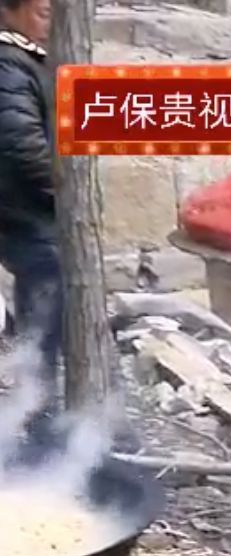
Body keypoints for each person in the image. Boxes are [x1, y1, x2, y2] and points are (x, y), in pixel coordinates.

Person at [0, 0, 57, 399]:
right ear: (9, 11)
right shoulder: (7, 64)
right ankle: (43, 419)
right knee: (46, 311)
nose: (49, 23)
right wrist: (67, 194)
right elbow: (23, 146)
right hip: (25, 211)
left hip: (31, 210)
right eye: (42, 12)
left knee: (48, 312)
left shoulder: (26, 59)